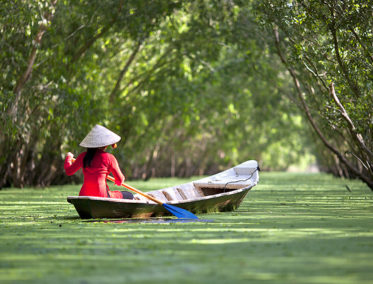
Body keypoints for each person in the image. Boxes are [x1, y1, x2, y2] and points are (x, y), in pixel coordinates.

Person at [64, 124, 134, 199]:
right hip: (102, 195)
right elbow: (120, 180)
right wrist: (118, 181)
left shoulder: (83, 156)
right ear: (106, 145)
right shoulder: (110, 158)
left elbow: (69, 171)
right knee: (129, 195)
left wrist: (69, 157)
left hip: (84, 195)